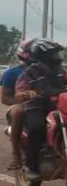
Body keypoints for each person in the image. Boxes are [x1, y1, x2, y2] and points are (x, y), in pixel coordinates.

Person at [14, 38, 67, 181]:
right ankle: (32, 167)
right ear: (44, 56)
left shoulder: (61, 71)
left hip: (59, 104)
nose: (58, 57)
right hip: (37, 106)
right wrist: (27, 93)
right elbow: (18, 93)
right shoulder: (29, 73)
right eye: (54, 54)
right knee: (36, 128)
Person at [0, 39, 34, 170]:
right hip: (18, 106)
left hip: (41, 105)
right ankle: (16, 154)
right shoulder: (11, 73)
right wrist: (23, 101)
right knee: (19, 112)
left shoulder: (45, 71)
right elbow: (4, 98)